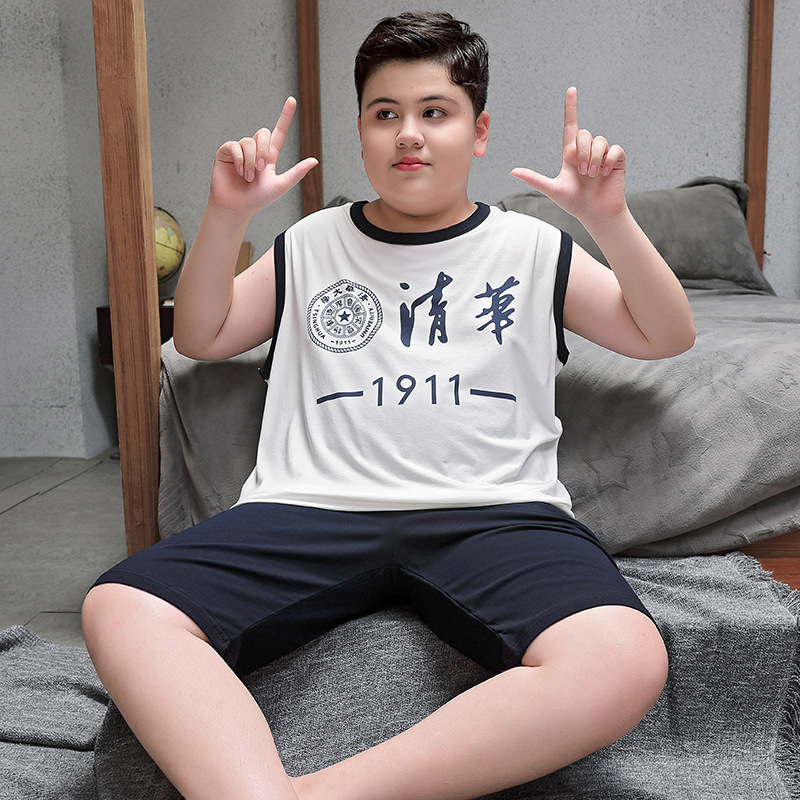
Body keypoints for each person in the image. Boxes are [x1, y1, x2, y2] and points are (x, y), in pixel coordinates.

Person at [82, 11, 694, 800]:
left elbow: (664, 334)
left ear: (478, 133)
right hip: (310, 510)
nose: (409, 133)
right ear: (363, 132)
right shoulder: (310, 243)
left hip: (495, 513)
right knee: (121, 605)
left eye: (435, 112)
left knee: (625, 656)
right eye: (385, 113)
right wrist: (227, 212)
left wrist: (608, 216)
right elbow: (200, 336)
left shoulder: (533, 247)